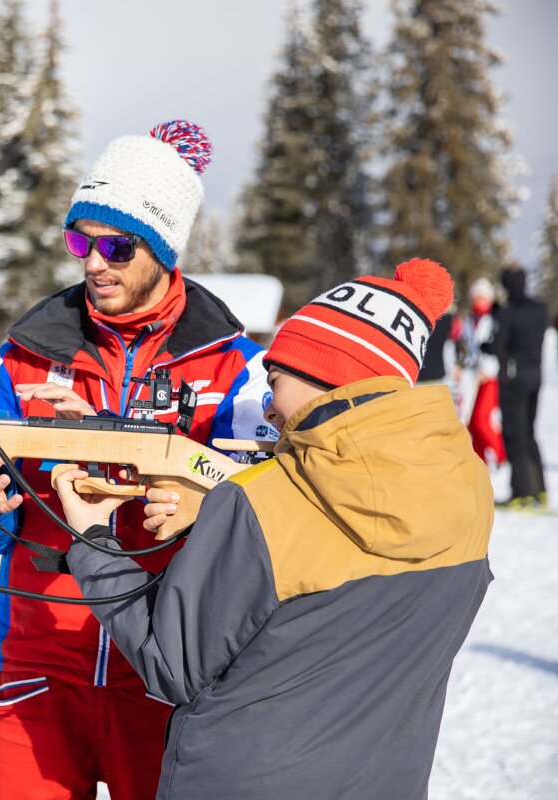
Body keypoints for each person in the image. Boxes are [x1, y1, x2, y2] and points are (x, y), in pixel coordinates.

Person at [53, 258, 494, 800]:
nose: (270, 407)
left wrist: (95, 539)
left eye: (276, 382)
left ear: (327, 379)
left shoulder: (259, 505)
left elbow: (169, 664)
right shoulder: (468, 486)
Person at [0, 119, 274, 799]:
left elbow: (270, 522)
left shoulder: (237, 371)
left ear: (163, 249)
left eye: (118, 247)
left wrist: (197, 500)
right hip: (34, 671)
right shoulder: (23, 358)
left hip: (163, 678)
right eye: (80, 242)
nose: (94, 263)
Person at [484, 265, 548, 508]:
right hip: (536, 375)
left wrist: (496, 321)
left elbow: (496, 345)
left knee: (514, 433)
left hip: (514, 376)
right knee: (530, 432)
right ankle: (539, 488)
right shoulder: (540, 309)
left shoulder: (509, 312)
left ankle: (521, 492)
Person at [459, 278, 507, 467]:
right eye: (476, 297)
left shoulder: (495, 319)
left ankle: (501, 456)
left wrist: (486, 370)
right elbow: (467, 348)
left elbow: (497, 349)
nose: (479, 302)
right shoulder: (469, 320)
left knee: (482, 418)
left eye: (483, 298)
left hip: (489, 377)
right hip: (472, 376)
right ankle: (480, 461)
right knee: (469, 420)